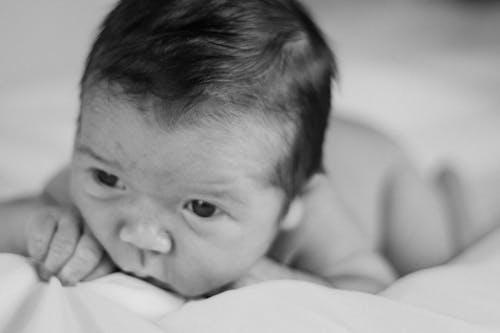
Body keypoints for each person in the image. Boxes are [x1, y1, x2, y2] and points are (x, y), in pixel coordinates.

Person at [0, 0, 457, 298]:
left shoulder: (313, 218)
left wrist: (285, 283)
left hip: (382, 171)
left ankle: (451, 194)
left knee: (434, 258)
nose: (137, 233)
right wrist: (43, 226)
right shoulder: (123, 162)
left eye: (201, 207)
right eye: (107, 179)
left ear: (294, 203)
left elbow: (373, 287)